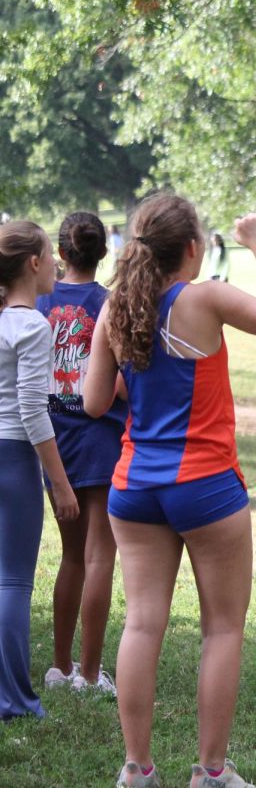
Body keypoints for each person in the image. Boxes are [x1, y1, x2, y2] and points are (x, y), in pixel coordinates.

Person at [84, 194, 256, 788]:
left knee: (141, 625)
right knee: (223, 629)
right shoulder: (202, 296)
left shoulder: (116, 308)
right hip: (204, 486)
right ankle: (209, 773)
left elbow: (93, 403)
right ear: (191, 248)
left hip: (134, 488)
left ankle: (136, 771)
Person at [35, 212, 126, 696]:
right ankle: (90, 674)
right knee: (99, 558)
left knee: (71, 557)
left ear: (60, 252)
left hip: (54, 442)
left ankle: (59, 664)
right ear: (101, 252)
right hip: (101, 441)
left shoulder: (38, 301)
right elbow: (128, 381)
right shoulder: (109, 305)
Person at [0, 220, 80, 722]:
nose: (56, 262)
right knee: (12, 583)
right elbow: (33, 412)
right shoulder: (32, 325)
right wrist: (60, 483)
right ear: (33, 263)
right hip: (12, 461)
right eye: (51, 254)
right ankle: (12, 700)